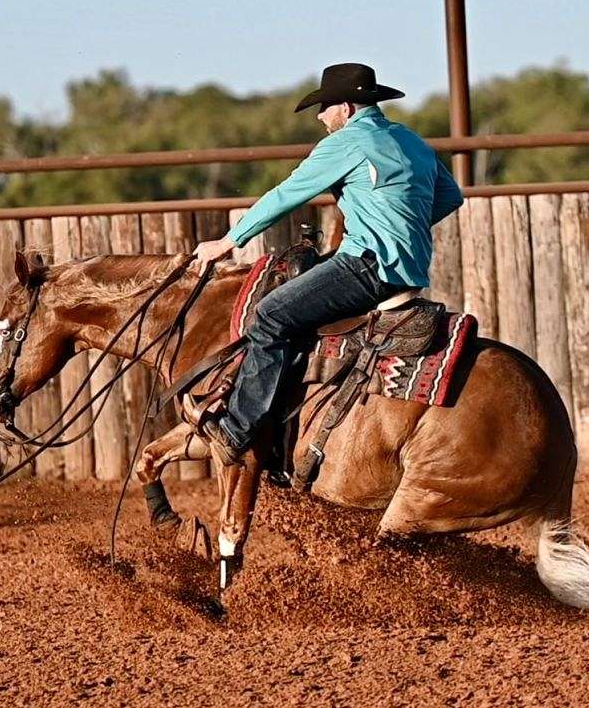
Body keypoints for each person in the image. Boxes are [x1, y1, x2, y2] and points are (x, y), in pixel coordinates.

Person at [189, 62, 464, 466]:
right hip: (409, 270)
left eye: (326, 106)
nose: (320, 116)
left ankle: (236, 431)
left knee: (270, 315)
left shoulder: (346, 143)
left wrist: (227, 243)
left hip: (367, 265)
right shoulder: (409, 140)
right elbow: (450, 196)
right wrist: (400, 225)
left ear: (348, 107)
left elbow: (285, 195)